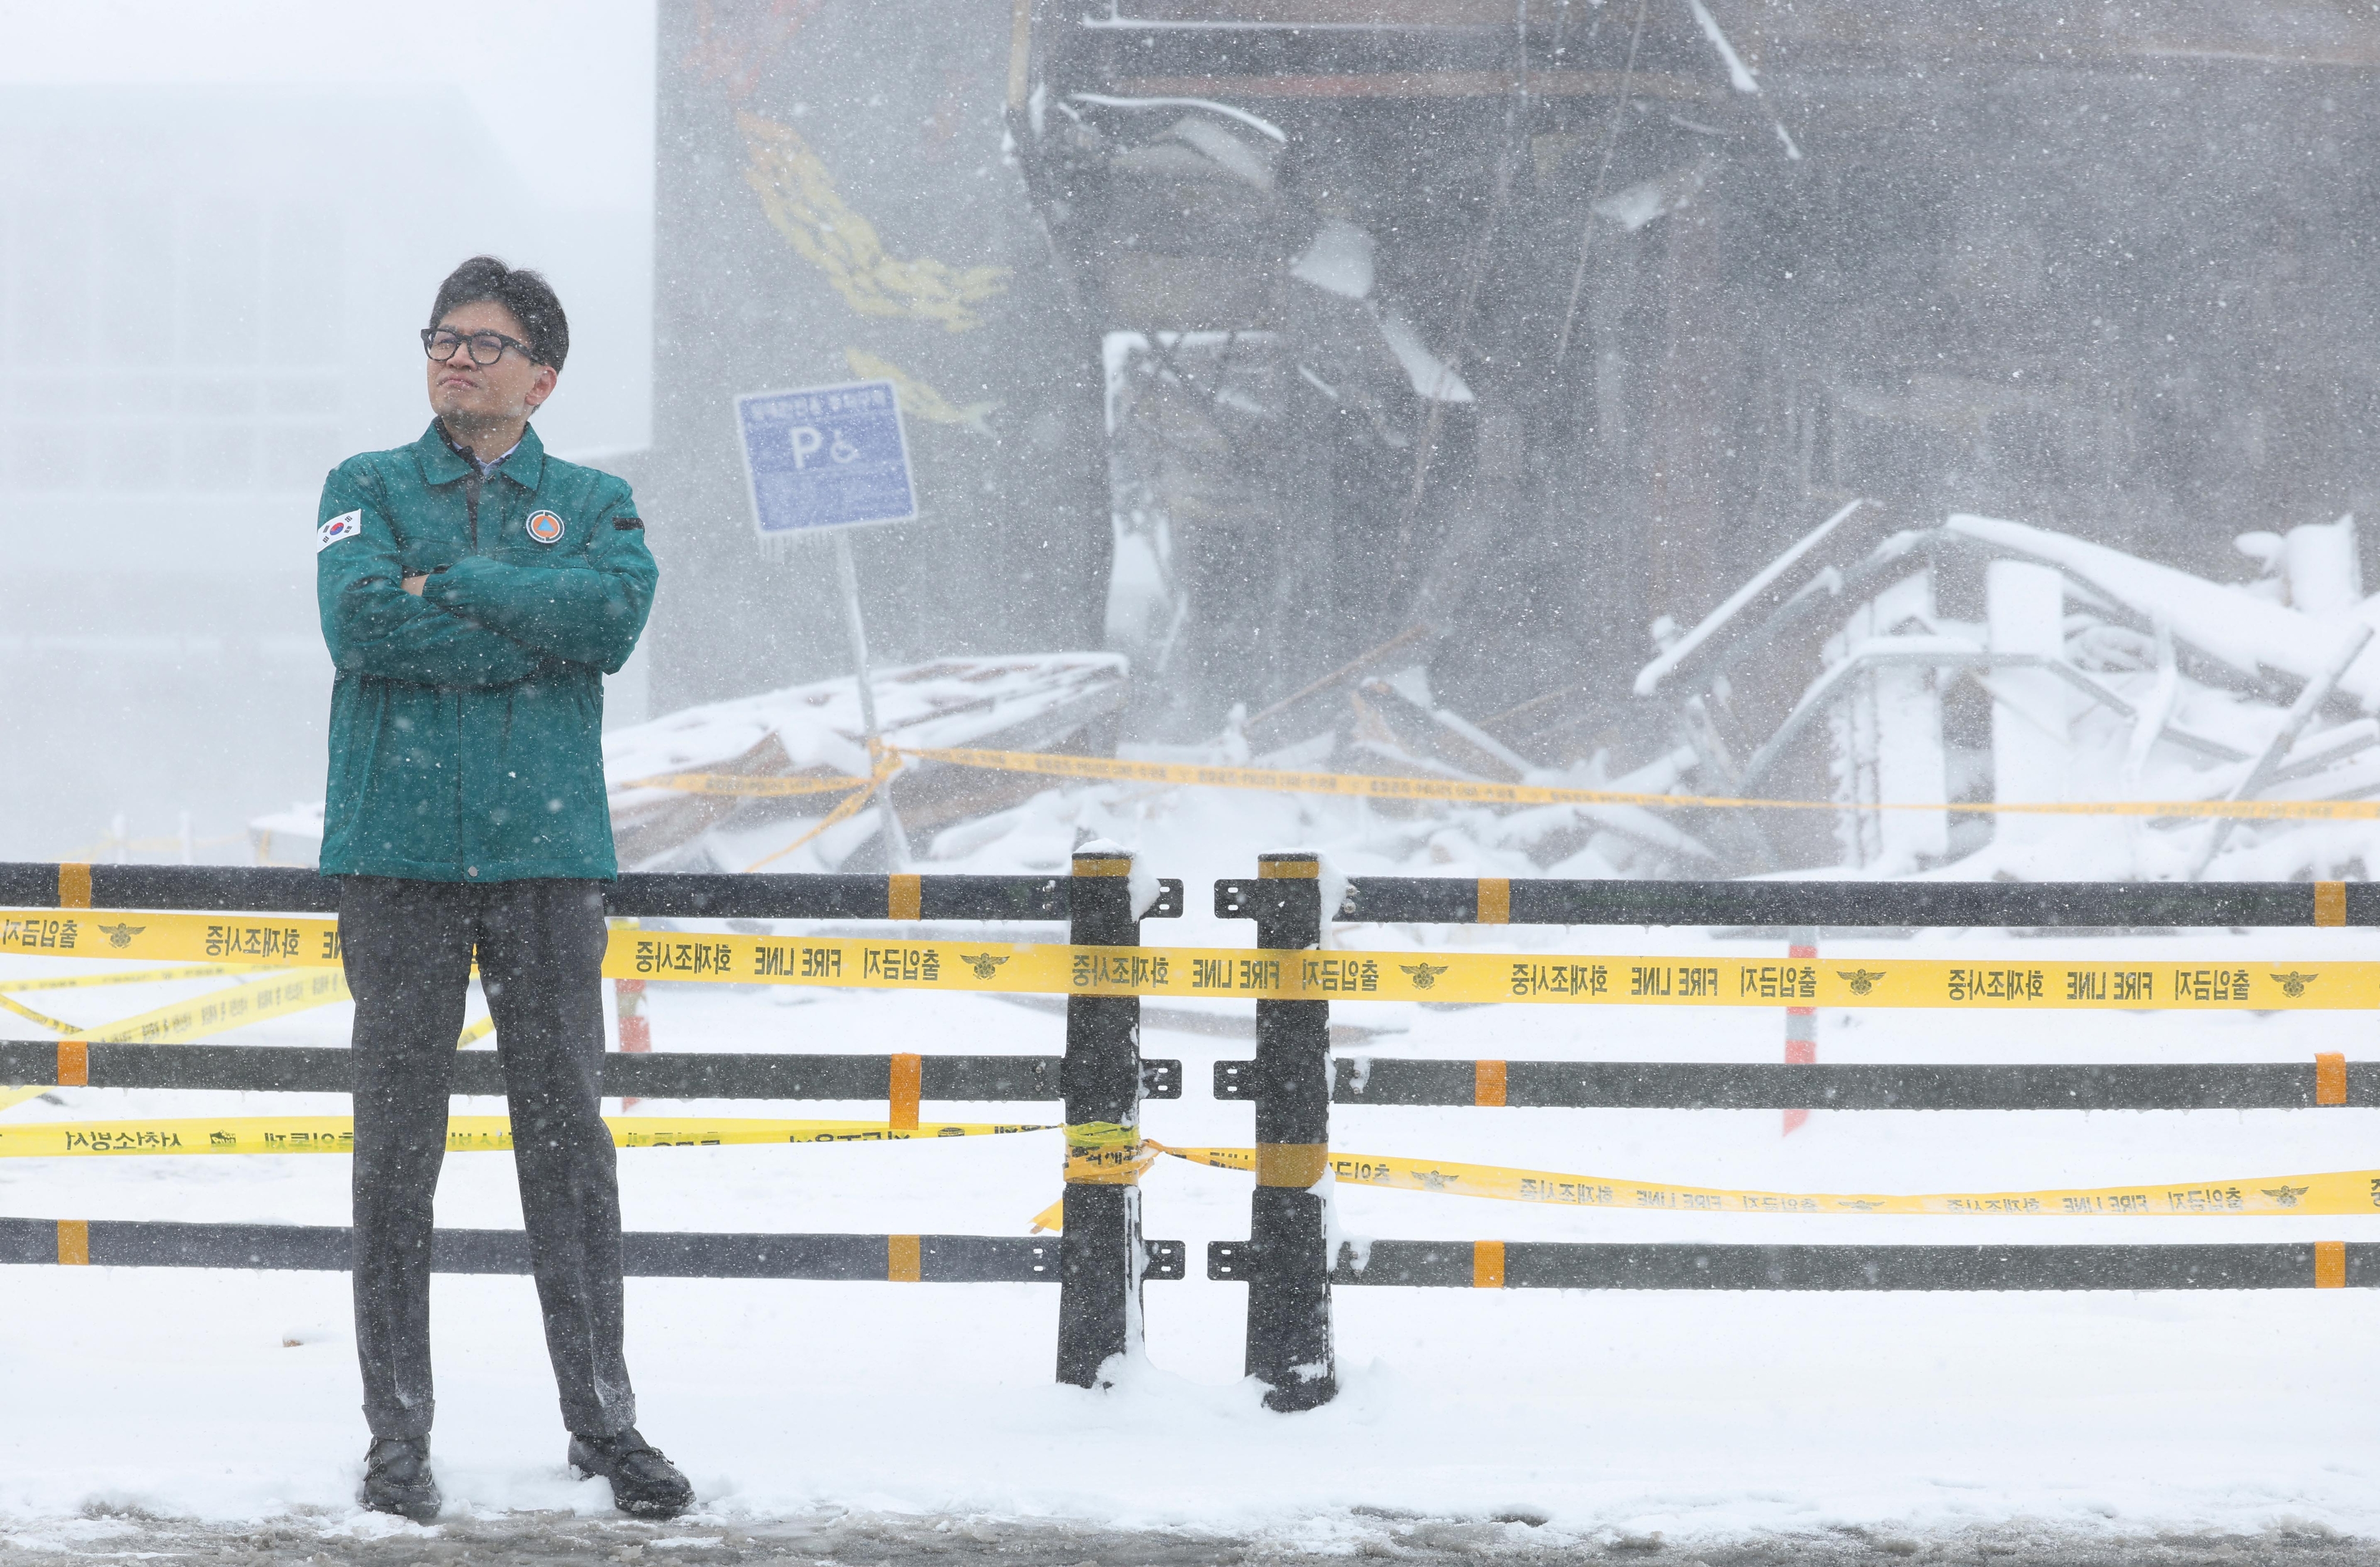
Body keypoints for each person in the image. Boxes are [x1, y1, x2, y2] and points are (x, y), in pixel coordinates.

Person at [313, 256, 687, 1522]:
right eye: (442, 337)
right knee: (394, 1156)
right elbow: (360, 629)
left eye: (485, 342)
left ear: (544, 376)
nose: (457, 357)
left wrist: (458, 586)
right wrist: (529, 621)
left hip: (544, 861)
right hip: (396, 856)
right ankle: (396, 1439)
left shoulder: (594, 500)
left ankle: (604, 1423)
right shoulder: (363, 486)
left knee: (568, 1151)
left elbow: (610, 628)